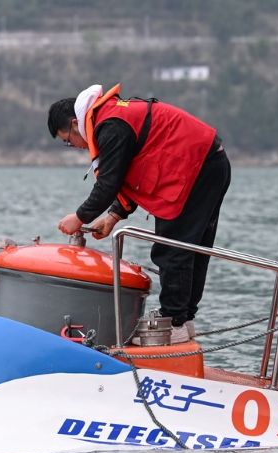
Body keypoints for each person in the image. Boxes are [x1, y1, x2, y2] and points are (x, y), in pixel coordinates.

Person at [47, 84, 231, 344]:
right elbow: (129, 171)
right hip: (209, 163)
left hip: (193, 167)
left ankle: (174, 323)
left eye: (67, 140)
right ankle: (184, 321)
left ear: (76, 123)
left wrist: (79, 217)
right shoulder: (112, 116)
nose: (74, 145)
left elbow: (108, 183)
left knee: (172, 249)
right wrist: (112, 217)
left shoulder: (109, 124)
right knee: (192, 248)